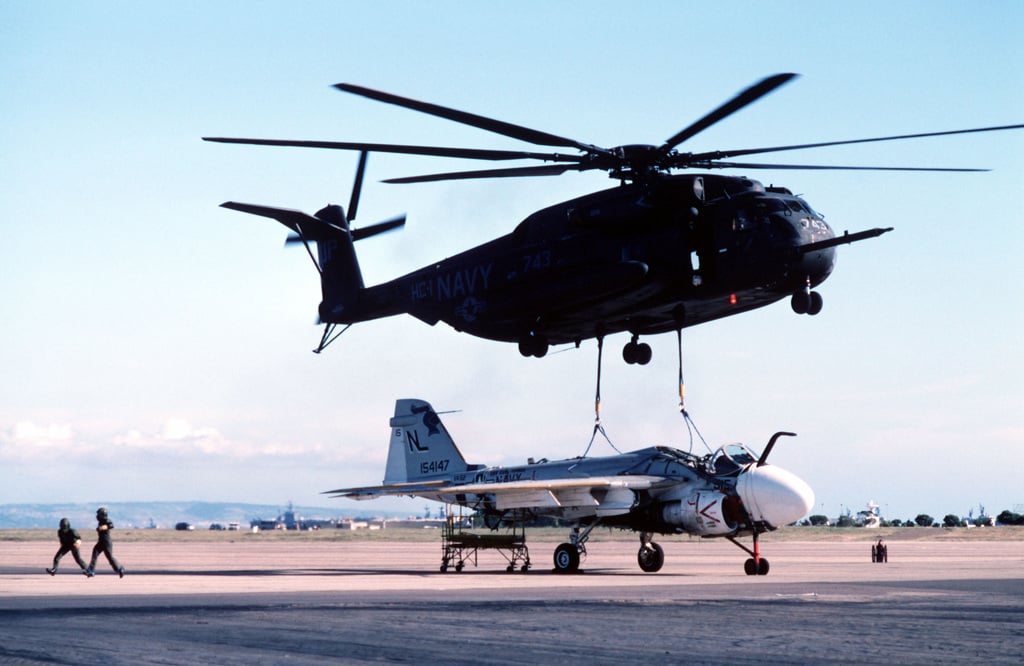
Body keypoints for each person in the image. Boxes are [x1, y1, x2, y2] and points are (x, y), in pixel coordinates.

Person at [86, 507, 125, 578]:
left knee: (109, 557)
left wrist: (104, 527)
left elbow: (111, 525)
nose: (97, 516)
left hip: (106, 542)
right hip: (101, 542)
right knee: (95, 553)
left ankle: (119, 569)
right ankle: (91, 570)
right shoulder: (100, 522)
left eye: (98, 514)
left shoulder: (106, 520)